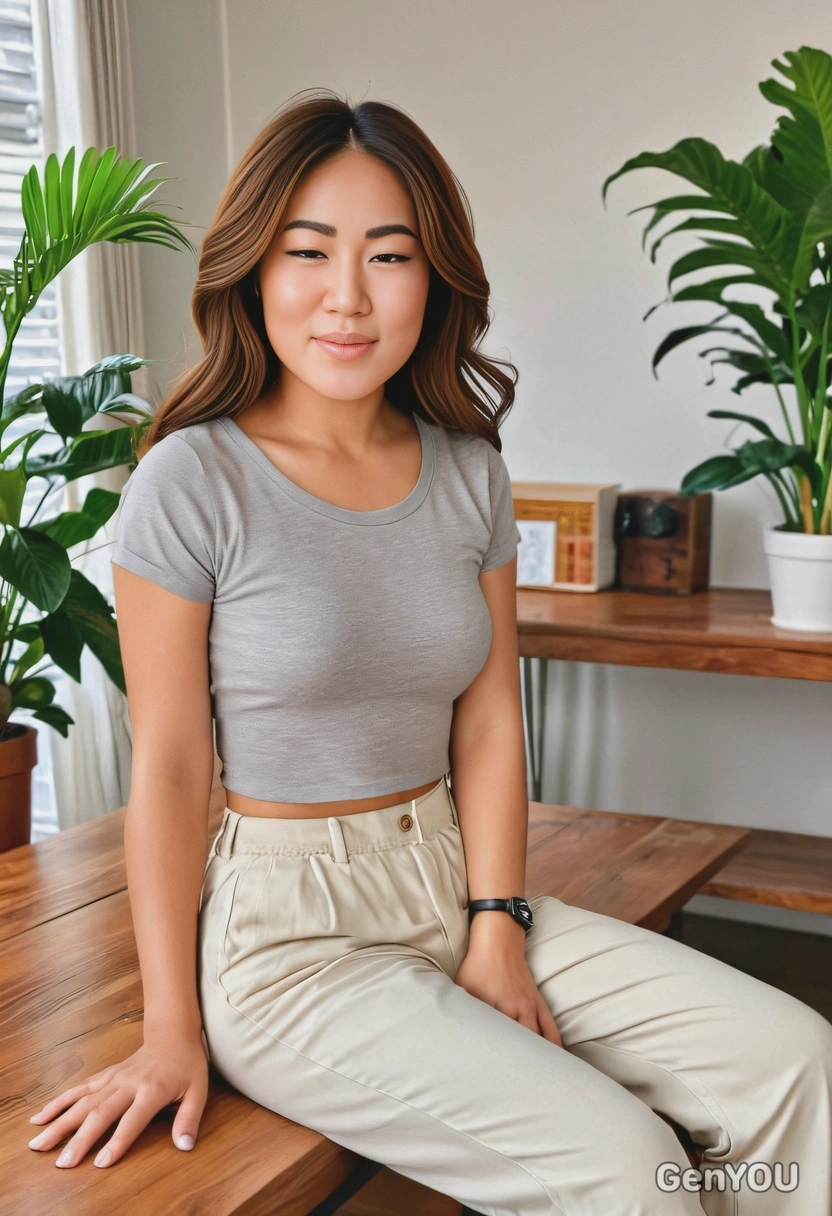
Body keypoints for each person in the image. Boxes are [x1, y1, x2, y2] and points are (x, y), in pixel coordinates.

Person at [27, 90, 832, 1216]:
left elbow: (491, 717)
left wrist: (496, 924)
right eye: (309, 251)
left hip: (453, 882)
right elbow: (166, 768)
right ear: (256, 269)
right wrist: (172, 1031)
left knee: (800, 1062)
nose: (346, 295)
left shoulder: (467, 470)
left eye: (388, 255)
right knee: (625, 1165)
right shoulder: (190, 480)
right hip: (286, 939)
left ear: (434, 276)